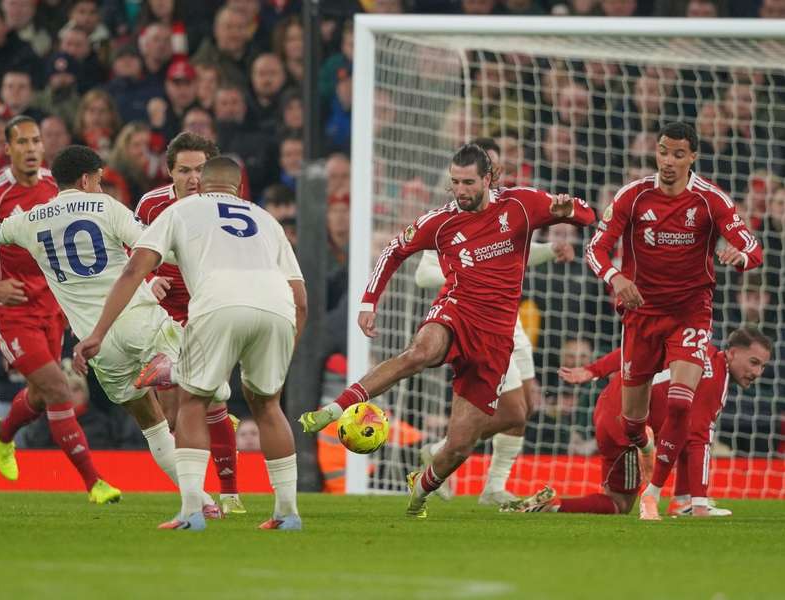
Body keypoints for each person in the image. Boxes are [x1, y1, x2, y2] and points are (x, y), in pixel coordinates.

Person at [0, 145, 237, 515]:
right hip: (138, 321)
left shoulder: (31, 219)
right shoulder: (107, 207)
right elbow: (154, 247)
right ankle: (178, 373)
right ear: (87, 179)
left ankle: (200, 502)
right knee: (210, 378)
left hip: (97, 344)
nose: (101, 188)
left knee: (152, 426)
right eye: (99, 181)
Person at [301, 144, 595, 518]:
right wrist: (368, 303)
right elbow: (394, 249)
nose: (460, 190)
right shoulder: (440, 222)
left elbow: (586, 214)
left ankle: (420, 490)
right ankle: (334, 409)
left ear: (488, 179)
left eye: (468, 182)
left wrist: (569, 211)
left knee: (459, 445)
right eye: (454, 182)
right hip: (456, 310)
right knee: (420, 353)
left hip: (497, 336)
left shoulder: (521, 205)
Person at [74, 156, 307, 532]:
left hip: (218, 302)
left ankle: (191, 513)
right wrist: (287, 349)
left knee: (193, 401)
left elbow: (135, 269)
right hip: (277, 307)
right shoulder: (267, 220)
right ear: (240, 188)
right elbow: (300, 299)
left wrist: (98, 332)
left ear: (203, 184)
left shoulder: (182, 209)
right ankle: (287, 513)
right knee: (268, 405)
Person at [585, 121, 763, 520]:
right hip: (641, 316)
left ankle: (654, 493)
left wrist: (740, 257)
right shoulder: (633, 195)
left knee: (682, 403)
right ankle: (645, 447)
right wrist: (616, 277)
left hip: (690, 314)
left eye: (678, 154)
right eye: (663, 151)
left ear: (693, 157)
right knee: (633, 423)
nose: (668, 161)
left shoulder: (709, 200)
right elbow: (596, 248)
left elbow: (752, 246)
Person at [0, 116, 117, 504]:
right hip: (10, 309)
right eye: (22, 142)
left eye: (36, 141)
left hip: (51, 306)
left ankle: (1, 433)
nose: (32, 148)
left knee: (40, 392)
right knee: (57, 386)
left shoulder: (58, 186)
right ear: (8, 149)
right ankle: (94, 482)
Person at [413, 136, 576, 505]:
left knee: (525, 407)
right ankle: (446, 447)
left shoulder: (510, 208)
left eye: (498, 167)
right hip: (477, 321)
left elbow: (512, 253)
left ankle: (492, 486)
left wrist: (550, 250)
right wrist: (469, 268)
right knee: (512, 407)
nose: (498, 173)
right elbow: (423, 275)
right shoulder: (451, 220)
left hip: (510, 317)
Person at [508, 326, 771, 518]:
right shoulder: (717, 377)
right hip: (629, 423)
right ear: (733, 353)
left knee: (679, 428)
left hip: (608, 406)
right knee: (621, 504)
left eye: (762, 367)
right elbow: (700, 440)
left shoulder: (693, 348)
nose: (757, 373)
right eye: (754, 363)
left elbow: (634, 352)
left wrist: (593, 370)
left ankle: (680, 500)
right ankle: (668, 482)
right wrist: (702, 503)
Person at [133, 131, 245, 516]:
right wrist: (149, 280)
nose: (193, 178)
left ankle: (227, 494)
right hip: (164, 313)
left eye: (200, 170)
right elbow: (128, 250)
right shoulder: (150, 205)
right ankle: (199, 495)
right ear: (170, 172)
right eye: (184, 171)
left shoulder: (227, 208)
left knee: (207, 400)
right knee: (179, 408)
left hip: (207, 310)